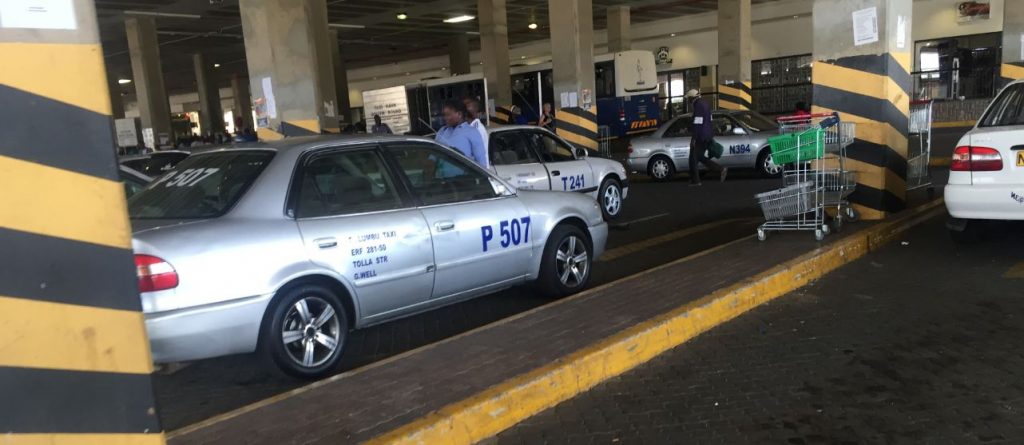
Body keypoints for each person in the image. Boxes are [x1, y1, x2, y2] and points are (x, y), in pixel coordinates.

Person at [685, 89, 727, 185]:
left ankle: (696, 181)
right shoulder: (705, 104)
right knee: (698, 157)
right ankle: (695, 179)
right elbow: (710, 121)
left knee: (693, 158)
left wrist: (694, 139)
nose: (689, 101)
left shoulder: (698, 106)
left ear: (692, 98)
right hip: (707, 135)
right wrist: (710, 134)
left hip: (700, 136)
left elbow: (697, 124)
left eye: (689, 99)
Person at [435, 99, 487, 168]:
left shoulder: (472, 132)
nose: (445, 118)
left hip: (464, 178)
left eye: (448, 115)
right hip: (441, 177)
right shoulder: (442, 131)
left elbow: (481, 162)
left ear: (459, 114)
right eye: (444, 115)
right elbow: (434, 157)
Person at [463, 96, 490, 167]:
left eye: (467, 105)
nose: (464, 109)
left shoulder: (477, 128)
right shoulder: (466, 127)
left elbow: (481, 155)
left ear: (475, 109)